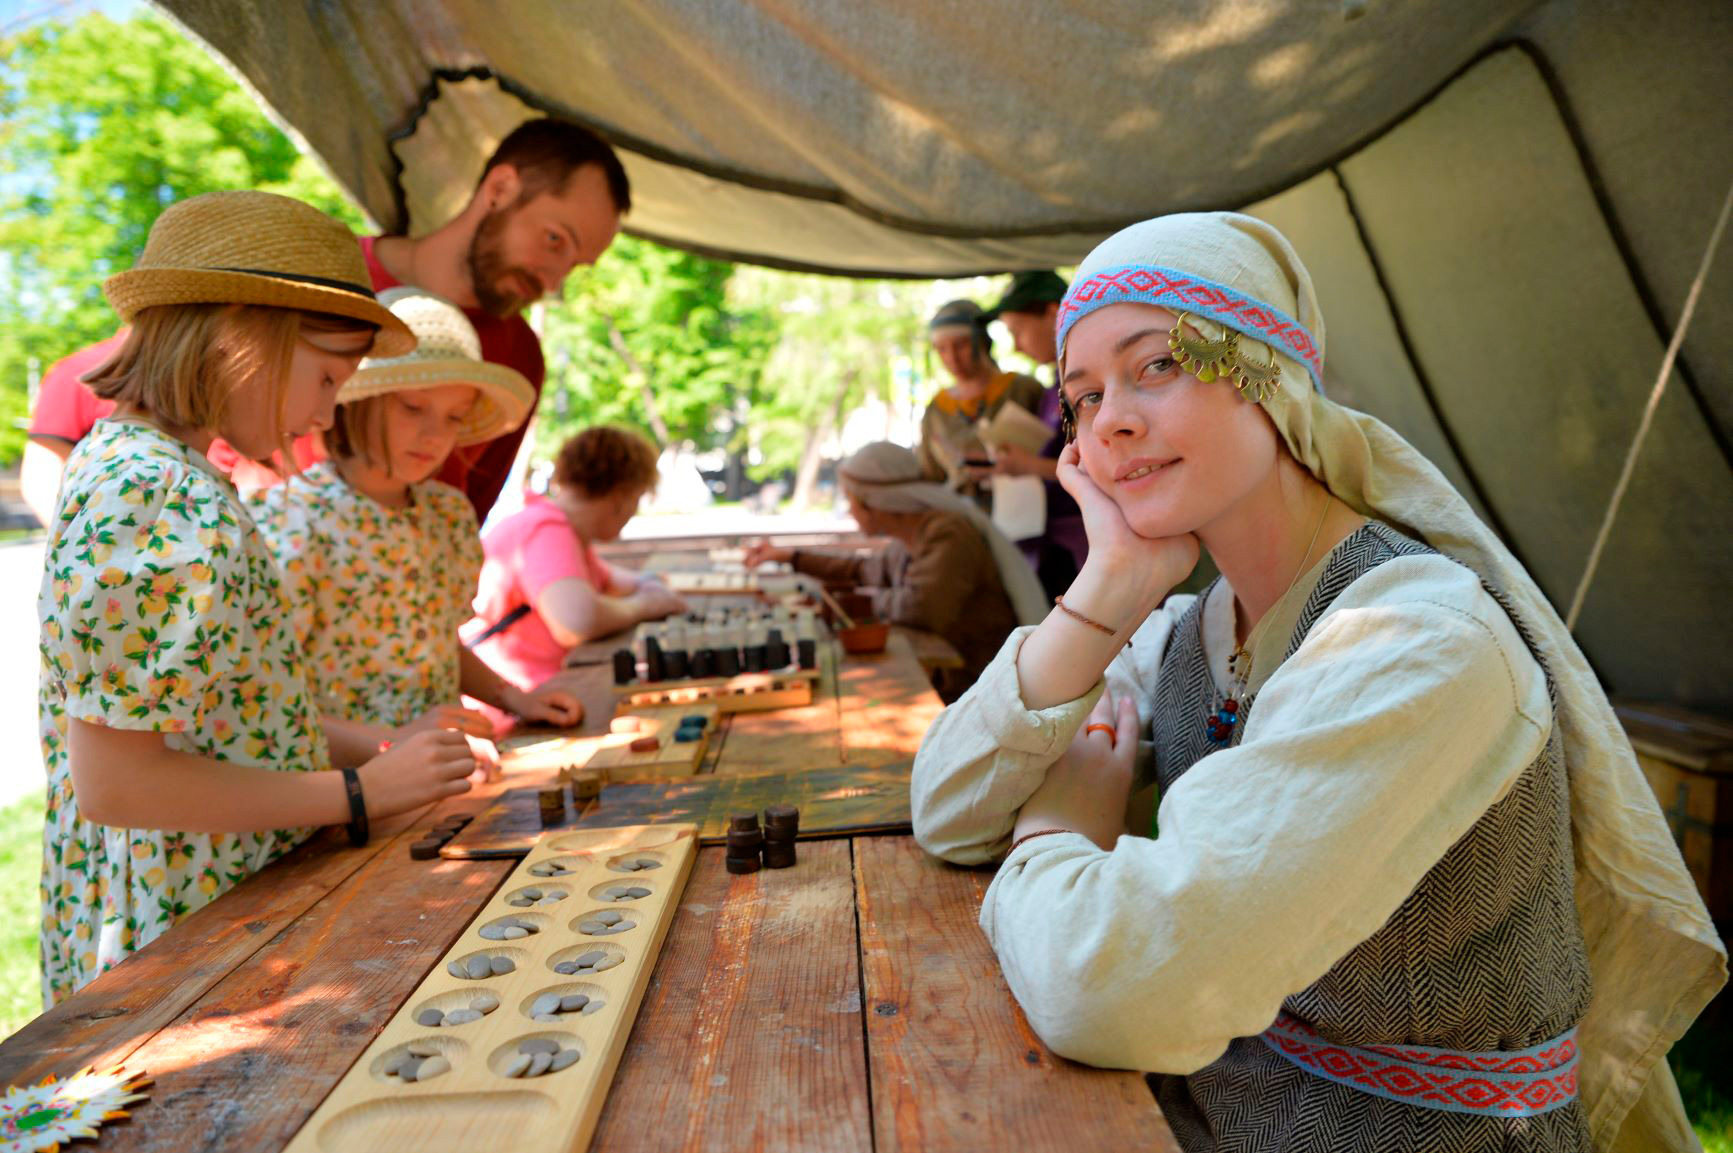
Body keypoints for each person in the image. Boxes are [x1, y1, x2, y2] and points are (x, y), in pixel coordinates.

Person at [910, 213, 1722, 1150]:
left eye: (1158, 365)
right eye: (1082, 396)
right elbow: (946, 804)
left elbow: (1105, 988)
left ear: (1272, 376)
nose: (1112, 420)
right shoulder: (1186, 626)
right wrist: (1109, 584)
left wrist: (1053, 834)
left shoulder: (1418, 646)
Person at [36, 191, 483, 1004]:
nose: (323, 413)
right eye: (325, 378)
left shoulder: (156, 470)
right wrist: (357, 793)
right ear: (241, 331)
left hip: (220, 899)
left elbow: (234, 717)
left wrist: (374, 754)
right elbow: (119, 782)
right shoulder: (154, 492)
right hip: (182, 928)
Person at [21, 116, 631, 524]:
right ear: (500, 188)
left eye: (576, 264)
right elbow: (136, 374)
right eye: (556, 240)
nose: (555, 281)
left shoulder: (519, 358)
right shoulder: (308, 286)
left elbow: (455, 524)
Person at [251, 287, 584, 769]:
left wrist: (514, 698)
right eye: (412, 407)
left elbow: (434, 641)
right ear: (357, 400)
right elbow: (269, 698)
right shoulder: (294, 519)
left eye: (454, 417)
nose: (435, 435)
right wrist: (392, 744)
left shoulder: (445, 513)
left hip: (439, 778)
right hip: (339, 790)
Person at [744, 442, 1048, 700]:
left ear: (876, 503)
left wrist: (847, 605)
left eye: (851, 500)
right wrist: (791, 557)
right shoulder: (912, 536)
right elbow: (863, 571)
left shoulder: (947, 533)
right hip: (957, 678)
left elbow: (921, 608)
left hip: (978, 685)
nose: (849, 510)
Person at [466, 425, 686, 694]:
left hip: (536, 696)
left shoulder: (557, 527)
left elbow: (616, 580)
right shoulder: (547, 531)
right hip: (514, 709)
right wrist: (644, 606)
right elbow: (575, 622)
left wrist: (649, 586)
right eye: (637, 498)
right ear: (622, 495)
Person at [983, 270, 1088, 596]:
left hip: (1087, 548)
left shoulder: (1087, 384)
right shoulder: (1051, 389)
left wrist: (1030, 466)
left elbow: (1100, 465)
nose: (1015, 346)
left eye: (1017, 331)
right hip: (1053, 546)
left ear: (1052, 312)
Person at [916, 299, 1043, 506]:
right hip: (963, 517)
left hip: (1026, 510)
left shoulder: (1023, 390)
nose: (952, 358)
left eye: (961, 345)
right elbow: (932, 475)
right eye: (942, 349)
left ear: (982, 340)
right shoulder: (937, 409)